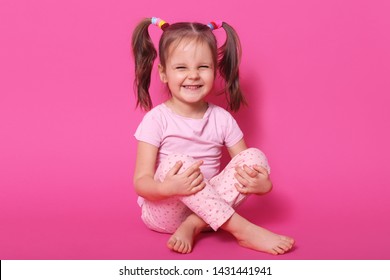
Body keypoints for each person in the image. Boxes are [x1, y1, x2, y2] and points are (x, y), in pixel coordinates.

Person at [131, 17, 295, 255]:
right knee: (180, 163)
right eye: (181, 67)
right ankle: (243, 230)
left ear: (214, 70)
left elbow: (244, 166)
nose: (193, 75)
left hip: (210, 214)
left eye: (203, 67)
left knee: (254, 156)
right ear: (164, 73)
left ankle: (193, 225)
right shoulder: (157, 120)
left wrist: (263, 185)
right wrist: (168, 188)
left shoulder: (222, 118)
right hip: (164, 213)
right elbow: (141, 183)